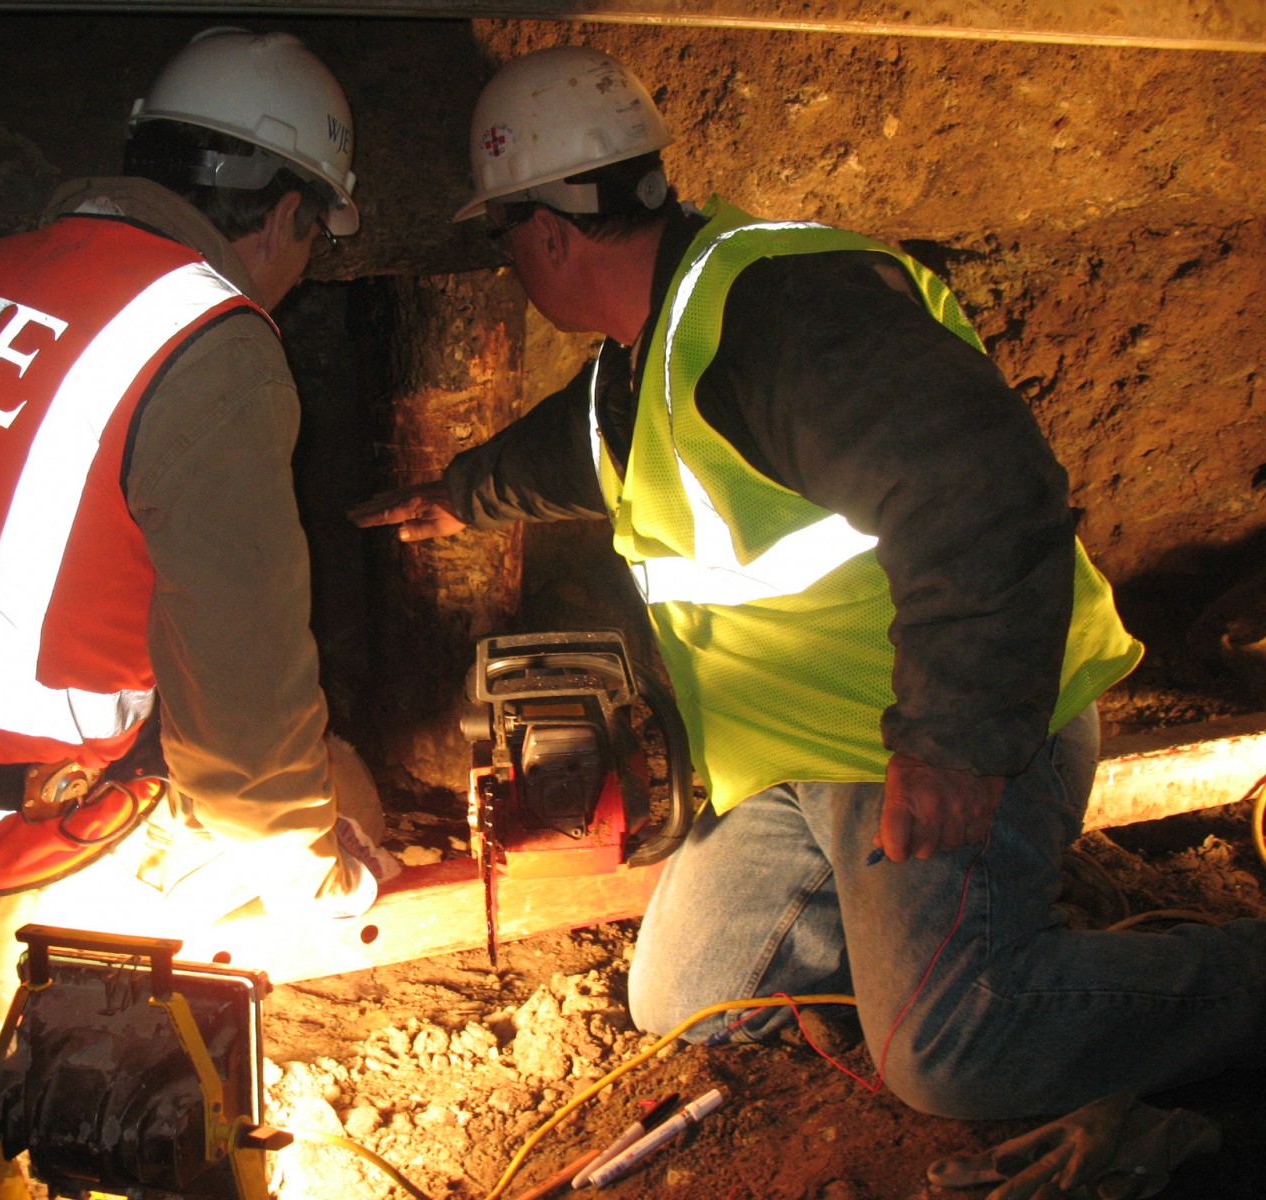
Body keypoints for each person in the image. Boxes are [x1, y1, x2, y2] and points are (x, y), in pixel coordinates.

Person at [351, 44, 1265, 1122]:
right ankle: (909, 947)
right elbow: (589, 446)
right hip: (794, 765)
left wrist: (955, 741)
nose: (509, 262)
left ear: (548, 231)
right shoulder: (650, 352)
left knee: (955, 1053)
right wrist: (463, 493)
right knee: (686, 999)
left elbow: (979, 493)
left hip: (934, 741)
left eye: (502, 236)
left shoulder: (787, 314)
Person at [0, 27, 394, 983]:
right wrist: (325, 887)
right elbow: (248, 740)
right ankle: (84, 1011)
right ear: (285, 215)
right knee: (332, 787)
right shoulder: (211, 343)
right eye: (313, 240)